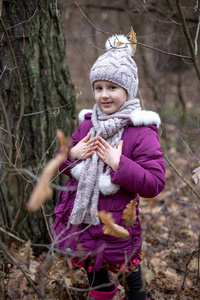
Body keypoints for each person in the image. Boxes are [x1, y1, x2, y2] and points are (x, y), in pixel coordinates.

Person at [52, 34, 166, 300]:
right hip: (82, 225)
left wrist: (119, 164)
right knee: (98, 283)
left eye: (112, 87)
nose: (104, 95)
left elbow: (155, 183)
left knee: (132, 279)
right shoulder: (87, 124)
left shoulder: (140, 131)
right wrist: (72, 155)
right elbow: (58, 165)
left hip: (117, 228)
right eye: (99, 87)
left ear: (128, 90)